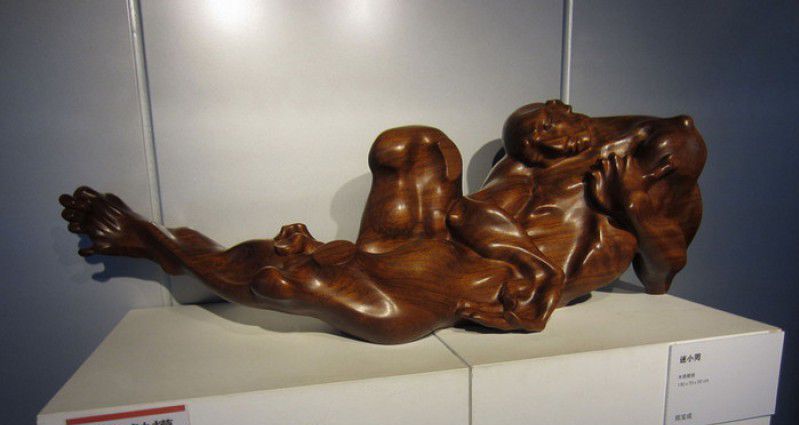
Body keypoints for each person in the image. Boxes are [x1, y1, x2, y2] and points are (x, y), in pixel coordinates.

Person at [59, 100, 704, 343]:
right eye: (540, 130)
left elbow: (661, 277)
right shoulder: (535, 154)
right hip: (448, 235)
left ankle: (163, 245)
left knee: (287, 281)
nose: (554, 136)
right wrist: (492, 197)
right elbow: (481, 200)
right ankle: (168, 245)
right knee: (412, 144)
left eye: (552, 128)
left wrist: (635, 206)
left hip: (476, 277)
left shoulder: (653, 183)